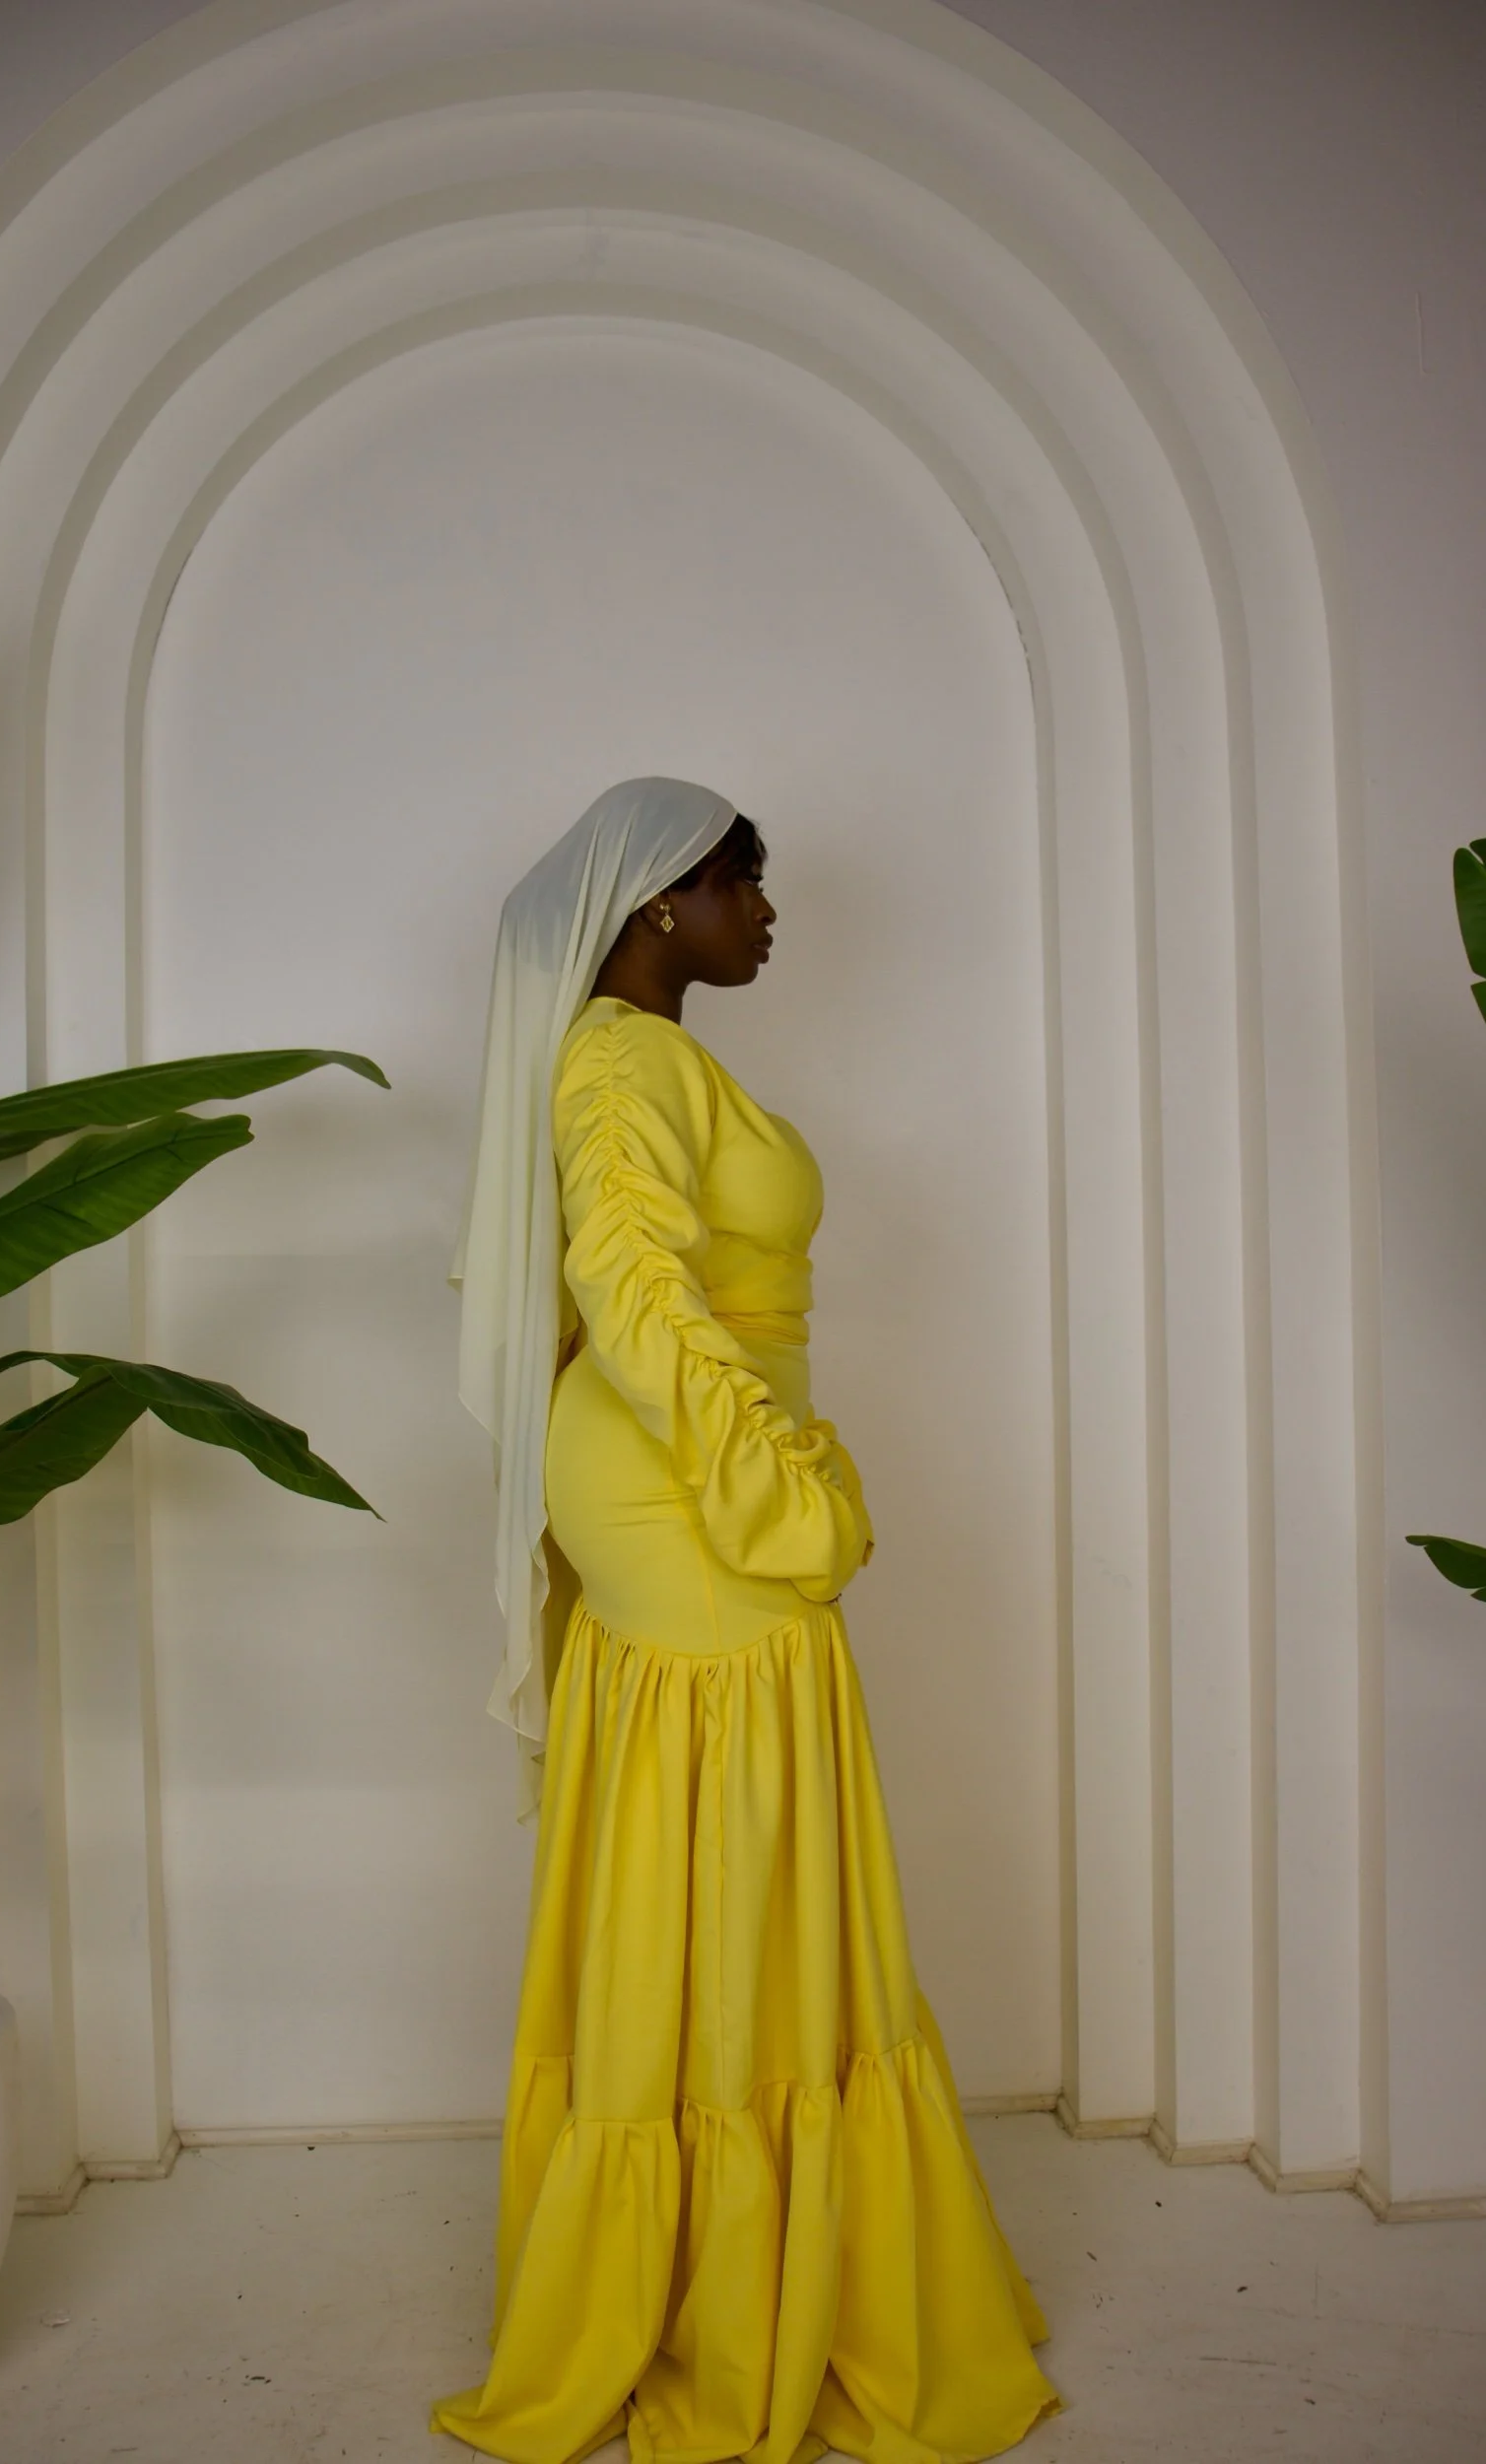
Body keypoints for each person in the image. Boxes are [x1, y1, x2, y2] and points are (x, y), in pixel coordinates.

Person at [434, 779, 1060, 2464]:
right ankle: (725, 2288)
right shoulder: (616, 1063)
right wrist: (775, 1484)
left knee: (741, 1840)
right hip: (681, 1485)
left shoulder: (654, 1058)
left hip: (692, 1467)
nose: (767, 913)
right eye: (743, 881)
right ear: (660, 901)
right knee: (739, 1827)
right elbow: (635, 1293)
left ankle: (756, 2252)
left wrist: (770, 1459)